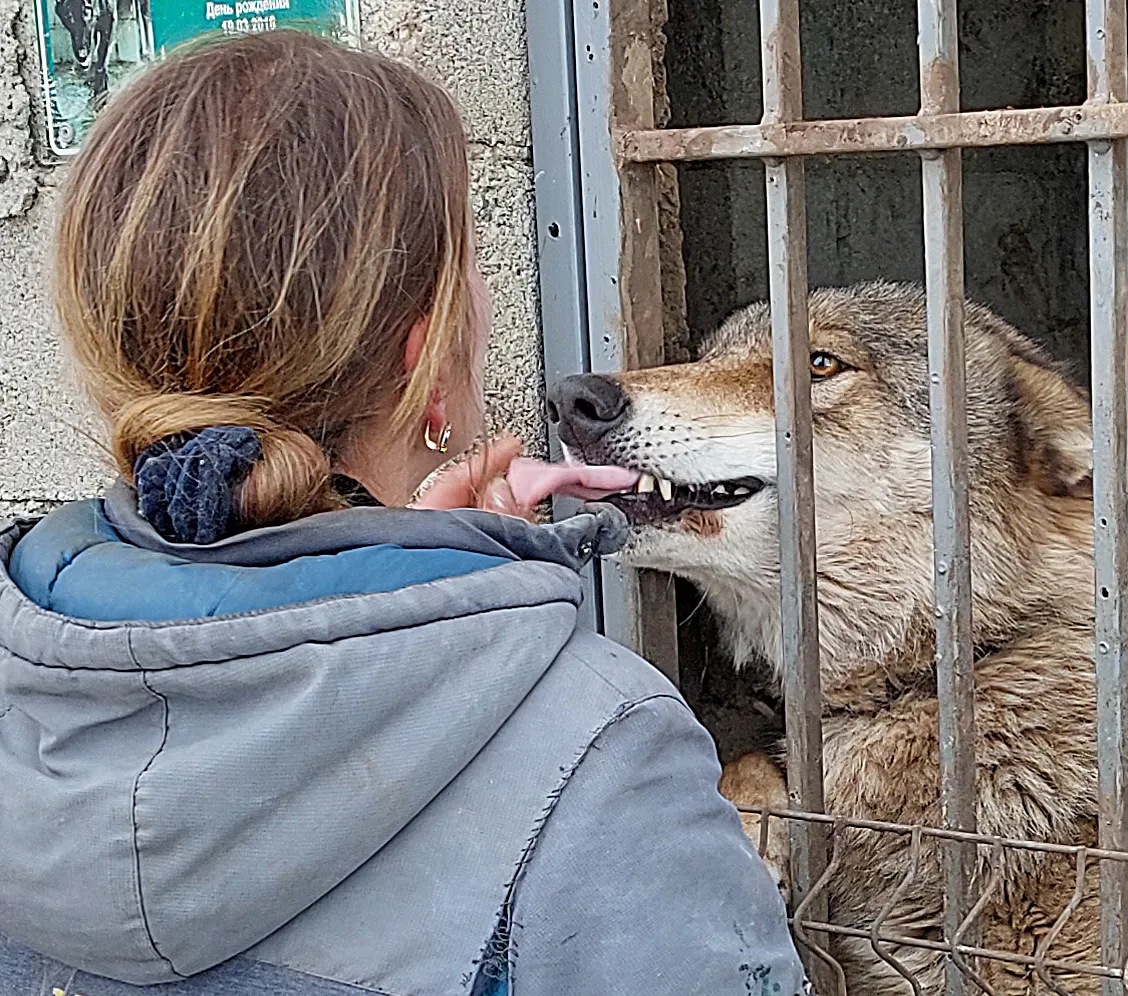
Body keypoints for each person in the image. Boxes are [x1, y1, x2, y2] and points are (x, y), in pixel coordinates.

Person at [0, 30, 807, 996]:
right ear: (425, 357)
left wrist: (442, 571)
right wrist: (484, 623)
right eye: (476, 265)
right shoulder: (604, 749)